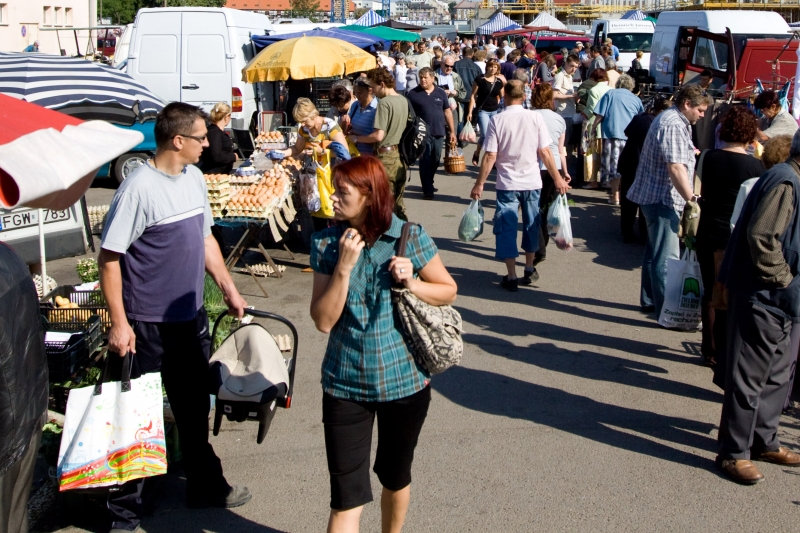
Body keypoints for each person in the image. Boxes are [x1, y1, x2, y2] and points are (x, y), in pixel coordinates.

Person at [98, 102, 250, 532]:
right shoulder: (138, 189)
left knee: (193, 407)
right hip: (145, 325)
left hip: (188, 318)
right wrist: (120, 323)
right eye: (201, 137)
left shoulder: (194, 178)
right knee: (136, 416)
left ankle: (204, 487)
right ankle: (125, 512)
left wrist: (228, 287)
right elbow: (109, 259)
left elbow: (205, 240)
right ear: (178, 141)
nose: (208, 144)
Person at [310, 156, 457, 533]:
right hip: (345, 385)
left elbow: (448, 290)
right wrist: (343, 268)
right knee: (346, 498)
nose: (332, 197)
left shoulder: (408, 236)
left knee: (395, 476)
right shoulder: (327, 243)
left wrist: (413, 283)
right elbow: (323, 321)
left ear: (369, 196)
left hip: (404, 384)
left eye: (342, 192)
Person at [715, 129, 800, 485]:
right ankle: (734, 452)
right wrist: (784, 280)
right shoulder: (786, 181)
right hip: (764, 294)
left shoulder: (790, 178)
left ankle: (765, 441)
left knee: (778, 375)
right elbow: (762, 237)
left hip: (781, 299)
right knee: (748, 377)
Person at [469, 80, 569, 292]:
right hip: (532, 181)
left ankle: (512, 274)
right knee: (531, 224)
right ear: (524, 97)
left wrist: (479, 184)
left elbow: (490, 155)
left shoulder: (497, 120)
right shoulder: (535, 118)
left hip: (507, 183)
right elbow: (545, 152)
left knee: (506, 227)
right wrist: (558, 178)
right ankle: (529, 267)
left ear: (503, 97)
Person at [627, 85, 710, 318]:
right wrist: (691, 199)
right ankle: (667, 310)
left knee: (655, 252)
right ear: (687, 104)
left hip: (656, 195)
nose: (702, 115)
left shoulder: (672, 119)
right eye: (700, 110)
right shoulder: (673, 123)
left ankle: (650, 300)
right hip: (662, 197)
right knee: (666, 258)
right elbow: (675, 167)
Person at [694, 106, 765, 368]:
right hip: (733, 236)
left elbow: (701, 190)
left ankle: (710, 348)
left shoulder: (708, 157)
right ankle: (722, 350)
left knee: (710, 291)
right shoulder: (755, 166)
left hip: (707, 229)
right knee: (728, 296)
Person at [618, 96, 673, 243]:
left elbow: (627, 132)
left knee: (628, 200)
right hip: (640, 164)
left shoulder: (640, 117)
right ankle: (644, 233)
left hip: (629, 161)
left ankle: (627, 232)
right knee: (644, 200)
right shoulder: (654, 122)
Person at [531, 83, 571, 269]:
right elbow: (561, 150)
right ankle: (542, 244)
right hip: (554, 167)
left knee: (533, 208)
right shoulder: (559, 119)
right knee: (545, 209)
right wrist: (564, 172)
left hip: (535, 166)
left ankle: (539, 248)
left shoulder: (530, 116)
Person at [365, 67, 411, 220]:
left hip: (385, 156)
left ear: (382, 84)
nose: (372, 91)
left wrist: (357, 138)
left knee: (385, 202)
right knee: (398, 202)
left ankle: (390, 232)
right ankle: (404, 231)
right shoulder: (403, 100)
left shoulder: (384, 103)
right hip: (400, 155)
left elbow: (378, 135)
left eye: (373, 87)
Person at [592, 74, 644, 204]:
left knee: (614, 167)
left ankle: (615, 196)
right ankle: (625, 195)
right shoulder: (636, 99)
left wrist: (593, 128)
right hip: (630, 137)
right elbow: (641, 117)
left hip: (612, 134)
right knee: (628, 167)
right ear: (631, 86)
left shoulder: (610, 94)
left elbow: (600, 114)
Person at [407, 67, 457, 200]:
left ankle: (429, 181)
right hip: (421, 133)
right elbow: (409, 115)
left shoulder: (440, 93)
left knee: (435, 159)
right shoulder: (413, 94)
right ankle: (427, 189)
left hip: (438, 131)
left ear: (432, 78)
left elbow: (447, 112)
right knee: (425, 160)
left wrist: (452, 131)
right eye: (421, 77)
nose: (423, 80)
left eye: (425, 77)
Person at [466, 59, 505, 167]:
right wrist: (470, 112)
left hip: (495, 111)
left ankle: (492, 158)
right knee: (485, 135)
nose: (492, 69)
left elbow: (503, 98)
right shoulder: (480, 79)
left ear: (498, 69)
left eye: (495, 67)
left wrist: (505, 111)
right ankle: (477, 153)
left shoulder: (499, 82)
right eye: (491, 66)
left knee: (495, 136)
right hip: (483, 110)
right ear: (487, 67)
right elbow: (473, 96)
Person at [582, 69, 611, 189]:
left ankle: (593, 181)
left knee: (591, 154)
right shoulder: (611, 90)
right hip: (607, 127)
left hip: (594, 125)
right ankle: (607, 181)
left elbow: (592, 110)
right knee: (606, 155)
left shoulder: (593, 90)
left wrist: (583, 110)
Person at [200, 102, 239, 175]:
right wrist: (233, 156)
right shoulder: (214, 133)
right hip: (214, 174)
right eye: (230, 116)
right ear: (226, 117)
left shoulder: (218, 131)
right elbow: (216, 156)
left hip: (222, 173)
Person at [345, 79, 379, 156]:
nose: (357, 95)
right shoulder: (355, 105)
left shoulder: (377, 108)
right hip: (354, 152)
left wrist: (357, 138)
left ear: (370, 91)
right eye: (355, 93)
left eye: (360, 93)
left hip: (369, 154)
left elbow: (377, 135)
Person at [553, 54, 580, 148]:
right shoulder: (560, 76)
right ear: (566, 63)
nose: (574, 69)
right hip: (563, 113)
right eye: (572, 66)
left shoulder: (569, 76)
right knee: (564, 143)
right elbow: (554, 95)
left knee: (568, 143)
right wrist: (571, 96)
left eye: (576, 67)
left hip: (570, 112)